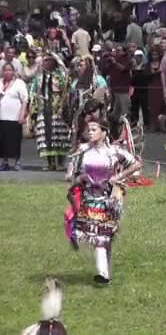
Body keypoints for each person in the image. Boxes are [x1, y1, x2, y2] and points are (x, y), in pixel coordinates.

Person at [67, 119, 142, 284]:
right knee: (98, 235)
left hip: (109, 199)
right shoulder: (83, 151)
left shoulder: (114, 151)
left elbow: (136, 164)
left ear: (105, 132)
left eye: (94, 129)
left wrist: (118, 177)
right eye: (89, 130)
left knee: (103, 236)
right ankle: (105, 273)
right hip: (89, 198)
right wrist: (79, 178)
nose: (90, 132)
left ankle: (103, 274)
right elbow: (70, 173)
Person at [29, 53, 71, 171]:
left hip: (58, 110)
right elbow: (32, 91)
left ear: (54, 62)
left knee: (59, 136)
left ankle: (61, 163)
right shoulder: (39, 77)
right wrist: (36, 99)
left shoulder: (60, 76)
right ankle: (50, 163)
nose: (45, 63)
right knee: (46, 137)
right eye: (44, 61)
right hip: (44, 109)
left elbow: (67, 81)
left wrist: (56, 57)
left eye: (48, 60)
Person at [0, 63, 28, 171]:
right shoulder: (0, 82)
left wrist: (22, 114)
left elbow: (25, 100)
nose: (7, 72)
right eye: (5, 70)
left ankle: (17, 161)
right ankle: (5, 162)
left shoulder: (19, 83)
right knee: (2, 140)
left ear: (13, 71)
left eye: (9, 70)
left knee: (15, 140)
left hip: (15, 116)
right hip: (2, 116)